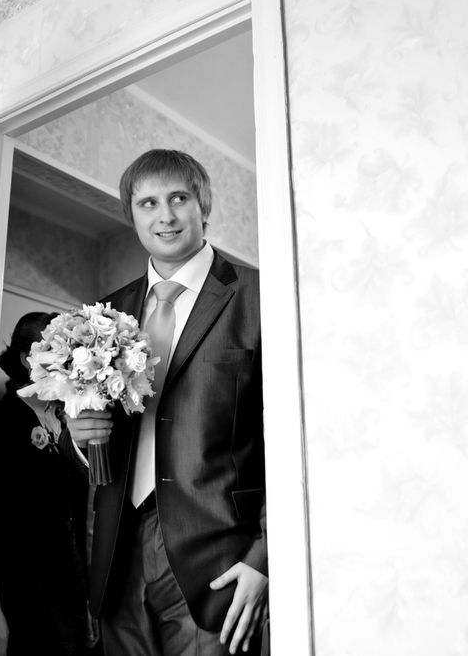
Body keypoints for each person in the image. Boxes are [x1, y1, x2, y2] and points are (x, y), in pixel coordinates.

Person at [69, 150, 267, 655]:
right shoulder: (105, 311)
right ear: (132, 215)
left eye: (179, 198)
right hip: (118, 554)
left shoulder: (260, 297)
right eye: (148, 203)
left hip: (220, 559)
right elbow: (97, 427)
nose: (166, 216)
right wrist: (78, 437)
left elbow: (297, 437)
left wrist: (265, 557)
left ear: (204, 205)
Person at [0, 311, 97, 656]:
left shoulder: (70, 417)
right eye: (55, 353)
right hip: (22, 591)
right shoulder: (3, 420)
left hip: (71, 587)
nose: (66, 364)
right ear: (26, 359)